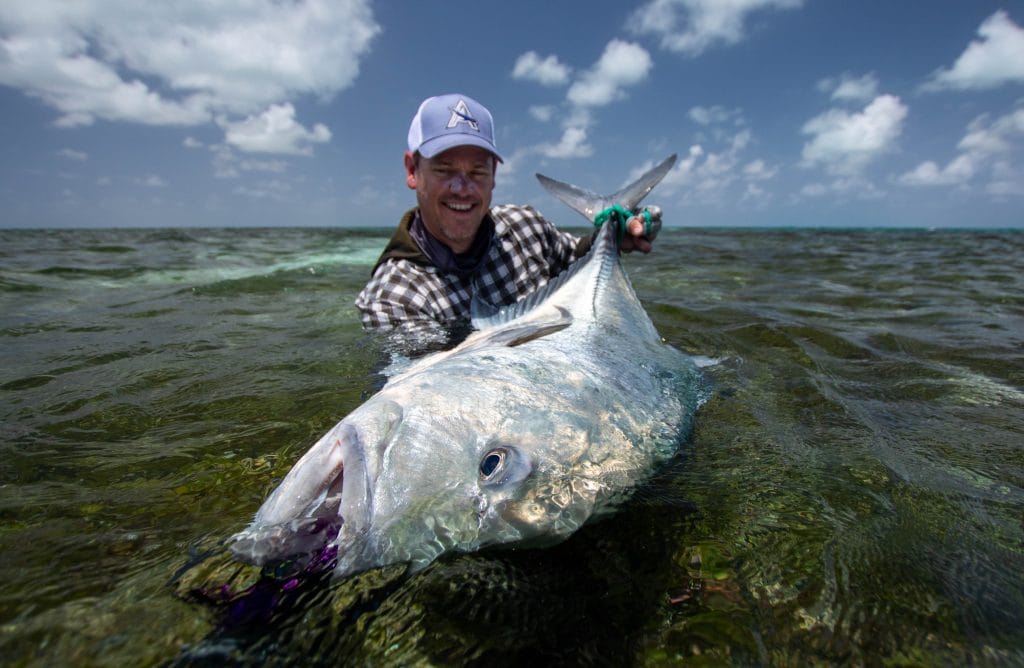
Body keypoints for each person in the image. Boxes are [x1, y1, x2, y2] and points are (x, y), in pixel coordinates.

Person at [355, 93, 661, 348]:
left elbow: (574, 255)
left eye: (477, 172)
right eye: (444, 170)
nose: (462, 189)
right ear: (412, 171)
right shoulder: (393, 298)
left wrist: (615, 235)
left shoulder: (524, 224)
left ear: (493, 176)